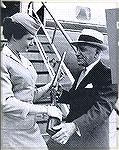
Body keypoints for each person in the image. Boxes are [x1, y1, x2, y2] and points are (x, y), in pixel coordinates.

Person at [47, 29, 118, 150]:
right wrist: (60, 93)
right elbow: (77, 98)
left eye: (83, 49)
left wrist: (74, 126)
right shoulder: (82, 72)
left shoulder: (108, 75)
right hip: (71, 133)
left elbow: (102, 109)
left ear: (97, 53)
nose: (77, 53)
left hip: (91, 139)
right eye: (77, 49)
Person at [1, 13, 63, 150]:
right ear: (14, 37)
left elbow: (28, 95)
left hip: (30, 128)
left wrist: (49, 86)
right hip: (11, 132)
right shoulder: (3, 61)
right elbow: (5, 103)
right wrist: (46, 110)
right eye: (29, 38)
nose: (33, 42)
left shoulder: (24, 61)